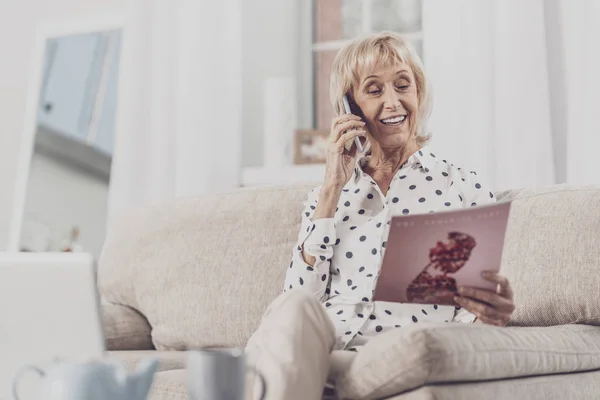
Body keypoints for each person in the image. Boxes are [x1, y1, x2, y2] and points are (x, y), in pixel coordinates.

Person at [245, 31, 515, 400]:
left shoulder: (460, 186)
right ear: (349, 107)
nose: (393, 102)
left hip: (392, 352)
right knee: (290, 312)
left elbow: (469, 312)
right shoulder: (327, 196)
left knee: (262, 368)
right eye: (373, 90)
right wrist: (331, 189)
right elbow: (295, 302)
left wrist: (489, 316)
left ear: (418, 93)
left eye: (403, 86)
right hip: (321, 349)